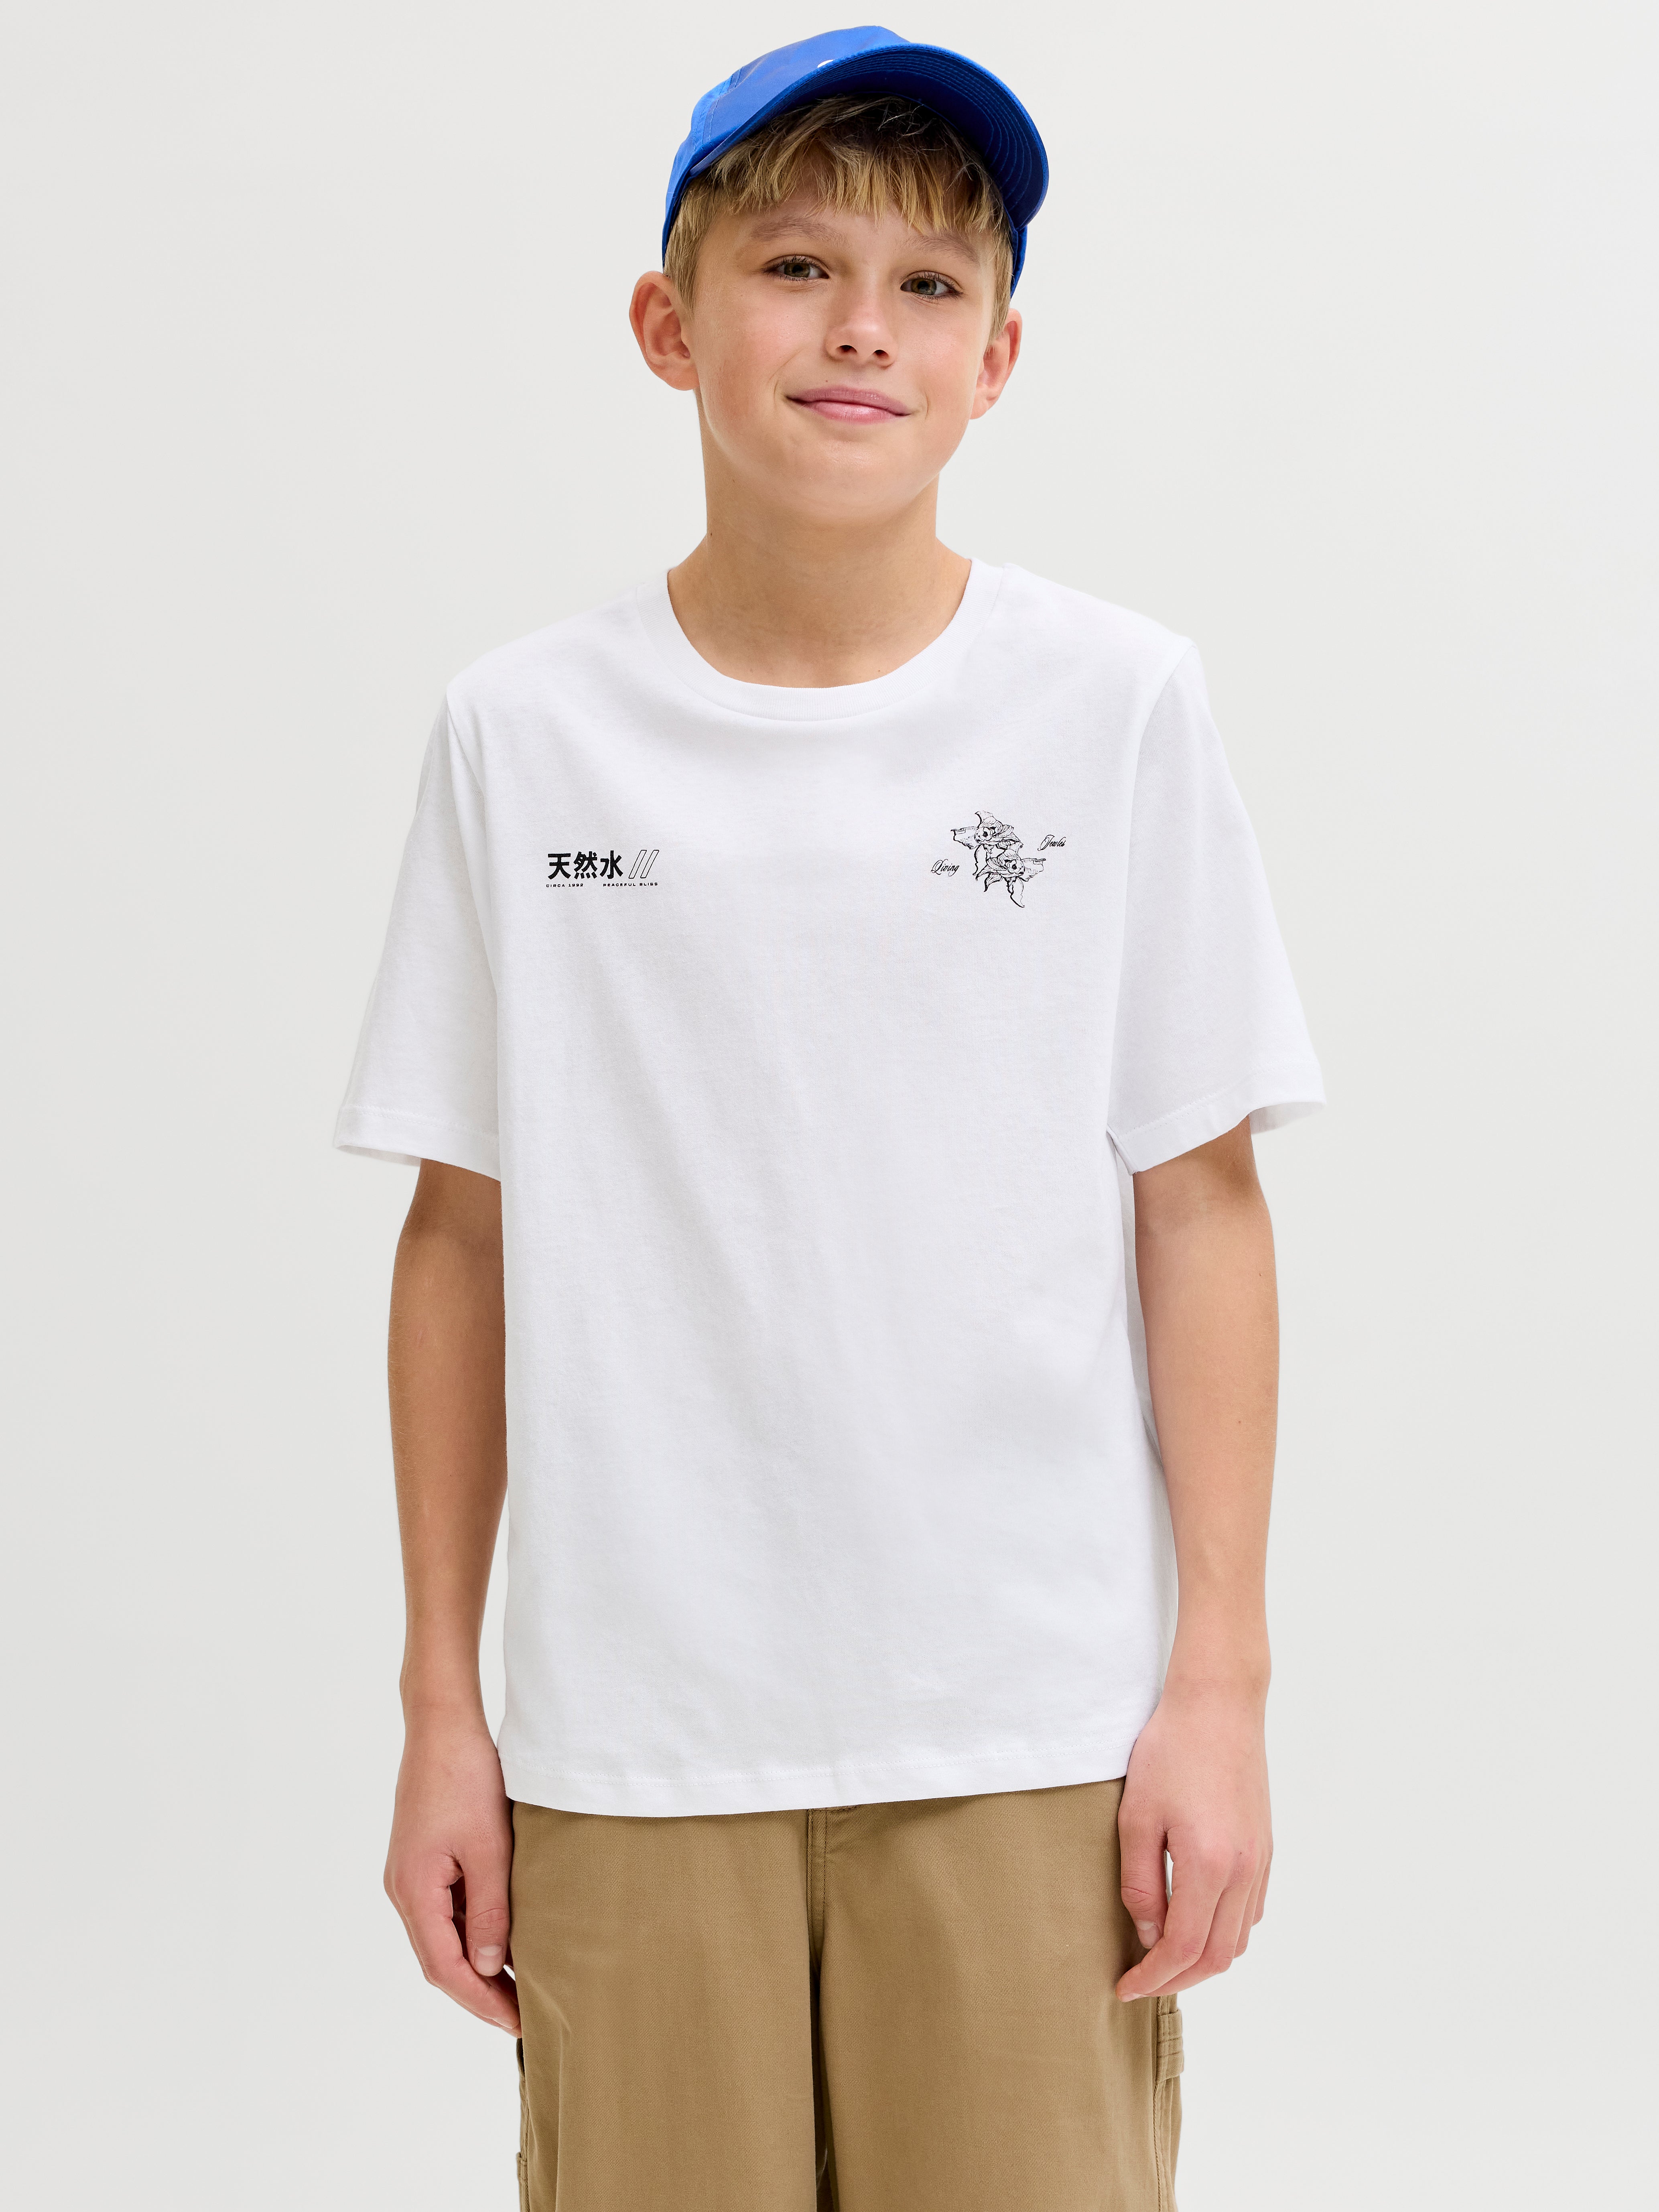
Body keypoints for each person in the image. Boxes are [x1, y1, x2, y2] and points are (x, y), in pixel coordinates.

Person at [335, 26, 1324, 2210]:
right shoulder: (525, 735)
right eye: (796, 266)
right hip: (630, 1737)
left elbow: (1199, 1204)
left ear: (997, 360)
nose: (864, 327)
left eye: (930, 286)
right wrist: (441, 1711)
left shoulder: (1114, 708)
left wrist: (1221, 1685)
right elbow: (460, 1236)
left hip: (1026, 1724)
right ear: (667, 324)